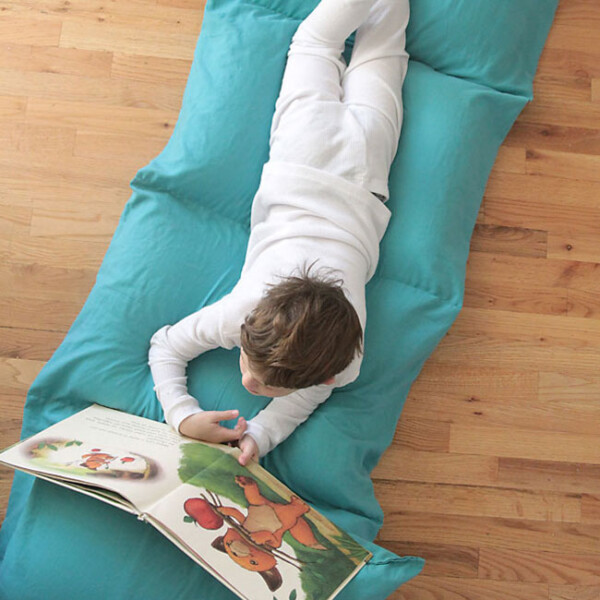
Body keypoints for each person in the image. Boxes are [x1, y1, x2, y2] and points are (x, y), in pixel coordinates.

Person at [148, 0, 410, 466]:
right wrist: (190, 415)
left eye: (256, 380)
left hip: (363, 171)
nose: (249, 385)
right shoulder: (240, 317)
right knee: (317, 43)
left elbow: (304, 395)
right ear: (327, 377)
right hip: (302, 158)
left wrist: (197, 418)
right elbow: (167, 346)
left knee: (381, 44)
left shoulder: (338, 360)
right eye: (262, 379)